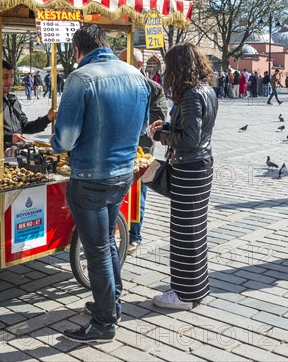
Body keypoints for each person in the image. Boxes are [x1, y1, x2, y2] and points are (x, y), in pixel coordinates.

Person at [52, 25, 150, 343]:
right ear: (106, 43)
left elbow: (65, 138)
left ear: (77, 51)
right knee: (106, 243)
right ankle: (112, 303)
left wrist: (57, 143)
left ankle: (104, 322)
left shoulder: (81, 78)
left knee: (96, 250)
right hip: (122, 173)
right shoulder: (136, 75)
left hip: (89, 178)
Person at [148, 42, 217, 310]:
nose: (166, 72)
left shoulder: (190, 95)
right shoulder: (206, 90)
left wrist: (161, 136)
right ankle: (196, 288)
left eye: (168, 66)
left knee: (184, 233)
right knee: (195, 231)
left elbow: (189, 138)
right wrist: (166, 125)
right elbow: (195, 127)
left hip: (189, 168)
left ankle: (184, 294)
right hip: (201, 166)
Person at [118, 48, 167, 254]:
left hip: (141, 150)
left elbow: (159, 119)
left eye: (123, 61)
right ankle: (116, 231)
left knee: (138, 195)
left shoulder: (153, 88)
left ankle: (134, 236)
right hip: (116, 148)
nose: (118, 65)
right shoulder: (115, 84)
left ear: (138, 65)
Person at [0, 60, 55, 160]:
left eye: (12, 76)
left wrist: (47, 118)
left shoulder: (13, 100)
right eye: (5, 77)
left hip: (14, 154)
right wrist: (9, 137)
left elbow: (25, 126)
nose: (10, 81)